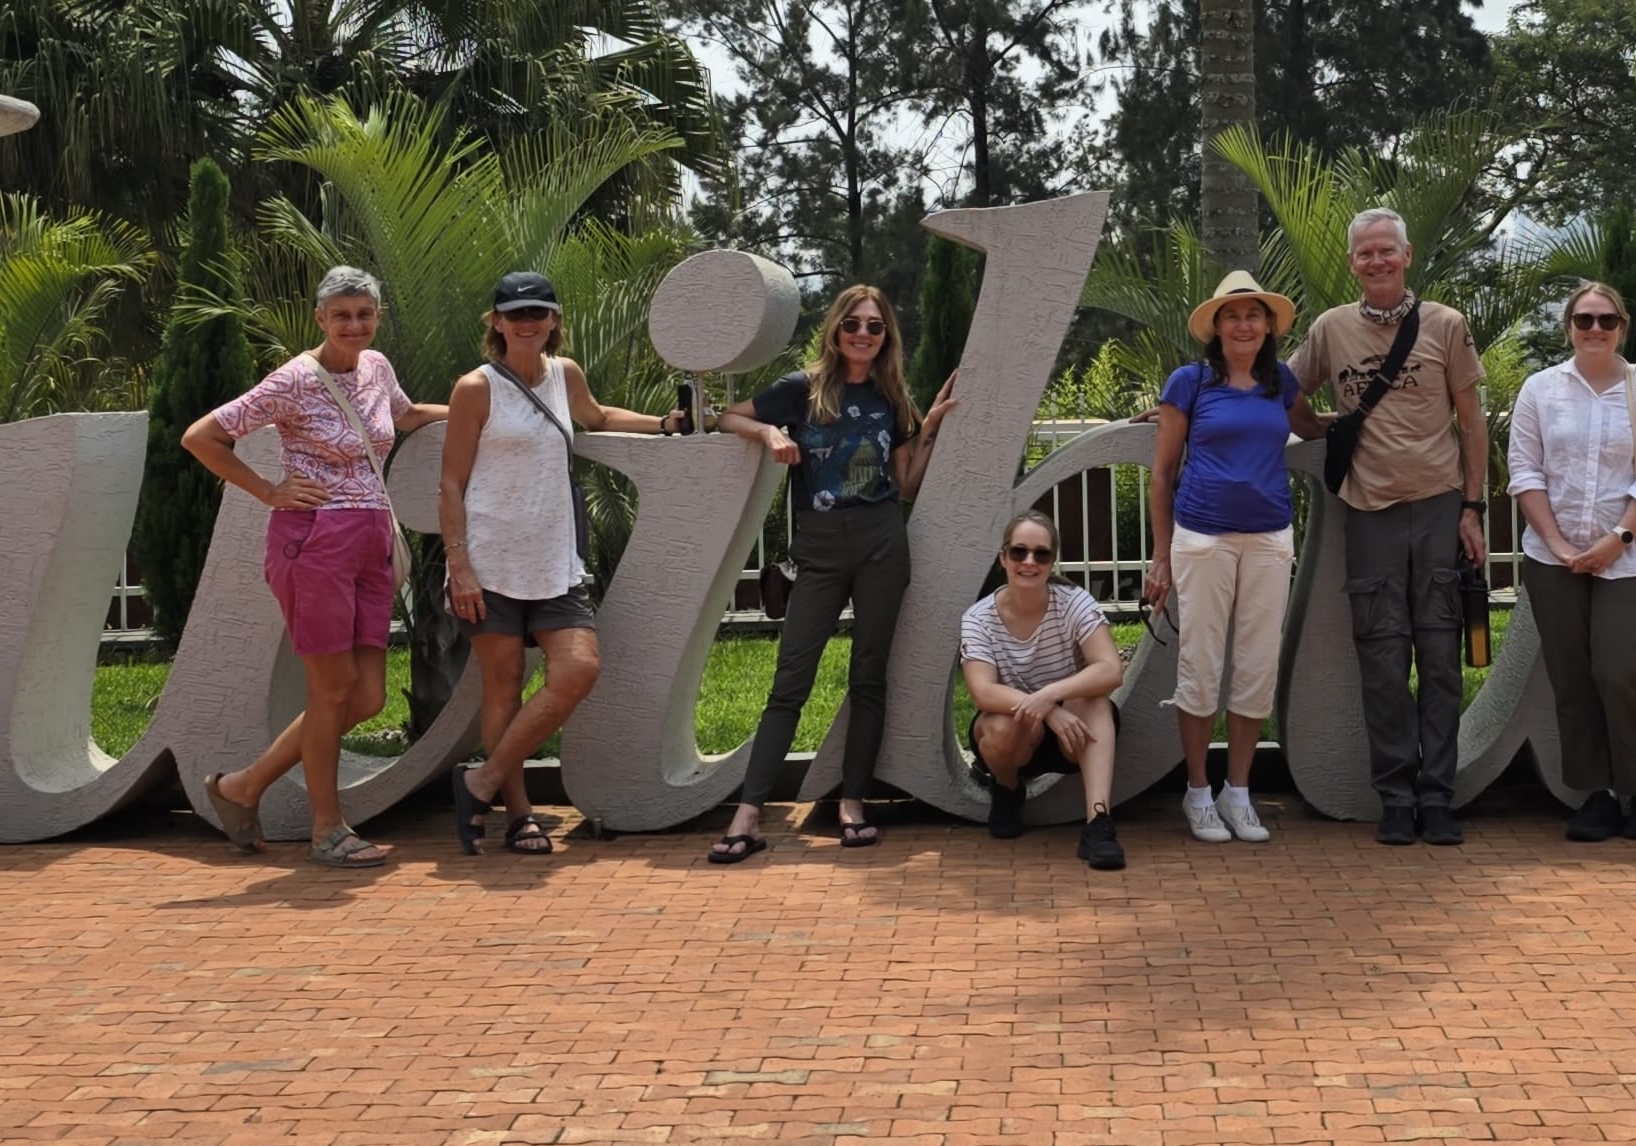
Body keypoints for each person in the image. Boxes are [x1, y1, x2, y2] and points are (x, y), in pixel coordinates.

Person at [185, 265, 447, 869]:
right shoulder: (294, 380)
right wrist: (268, 490)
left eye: (364, 314)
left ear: (377, 317)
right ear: (320, 319)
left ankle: (242, 787)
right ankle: (326, 830)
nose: (354, 325)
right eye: (342, 315)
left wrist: (476, 409)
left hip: (373, 541)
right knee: (331, 692)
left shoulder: (377, 367)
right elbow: (202, 437)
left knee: (367, 697)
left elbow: (404, 417)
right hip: (315, 542)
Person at [707, 283, 959, 865]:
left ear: (886, 336)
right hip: (818, 549)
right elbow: (725, 417)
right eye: (854, 324)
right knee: (789, 682)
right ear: (836, 329)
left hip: (880, 545)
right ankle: (750, 812)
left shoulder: (891, 396)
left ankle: (852, 802)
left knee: (869, 677)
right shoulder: (802, 389)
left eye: (875, 327)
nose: (864, 335)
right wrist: (769, 431)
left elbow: (904, 487)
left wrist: (929, 429)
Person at [438, 268, 670, 855]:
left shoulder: (565, 375)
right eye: (515, 314)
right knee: (504, 686)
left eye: (538, 313)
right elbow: (449, 482)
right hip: (489, 561)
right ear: (496, 322)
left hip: (554, 557)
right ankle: (519, 815)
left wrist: (669, 424)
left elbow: (599, 418)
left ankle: (480, 782)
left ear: (554, 320)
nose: (527, 323)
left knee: (578, 669)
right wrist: (458, 566)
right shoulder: (475, 387)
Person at [1288, 209, 1489, 847]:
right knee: (1380, 658)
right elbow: (1282, 389)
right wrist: (1319, 428)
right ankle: (1395, 796)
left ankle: (1438, 798)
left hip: (1436, 505)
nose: (1376, 261)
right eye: (1364, 254)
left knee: (1439, 655)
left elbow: (1472, 420)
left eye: (1386, 252)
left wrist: (1473, 507)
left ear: (1405, 256)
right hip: (1367, 509)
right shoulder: (1330, 329)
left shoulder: (1446, 325)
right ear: (1353, 263)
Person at [1509, 279, 1636, 843]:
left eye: (1606, 320)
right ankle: (1597, 793)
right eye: (1583, 320)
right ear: (1568, 328)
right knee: (1573, 678)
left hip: (1626, 557)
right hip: (1551, 558)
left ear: (1621, 327)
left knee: (1621, 671)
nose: (1594, 330)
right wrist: (1558, 544)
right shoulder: (1540, 390)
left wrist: (1616, 539)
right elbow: (1525, 472)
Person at [1145, 270, 1301, 845]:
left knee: (1258, 663)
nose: (1243, 324)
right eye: (1232, 315)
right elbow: (1162, 474)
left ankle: (1239, 790)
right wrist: (1160, 556)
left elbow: (1310, 426)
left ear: (1268, 326)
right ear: (1216, 326)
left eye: (1253, 314)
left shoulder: (1280, 382)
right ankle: (1198, 791)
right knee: (1201, 665)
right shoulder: (1189, 382)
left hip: (1268, 538)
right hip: (1202, 539)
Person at [962, 509, 1130, 870]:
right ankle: (1007, 790)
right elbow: (983, 692)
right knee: (1005, 723)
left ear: (1053, 560)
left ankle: (1098, 822)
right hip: (1016, 735)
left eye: (1041, 554)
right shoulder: (978, 618)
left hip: (1071, 736)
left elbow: (1110, 669)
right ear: (1003, 557)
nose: (1029, 562)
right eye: (1019, 551)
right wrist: (1045, 708)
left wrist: (1050, 696)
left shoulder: (1074, 603)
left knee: (1097, 704)